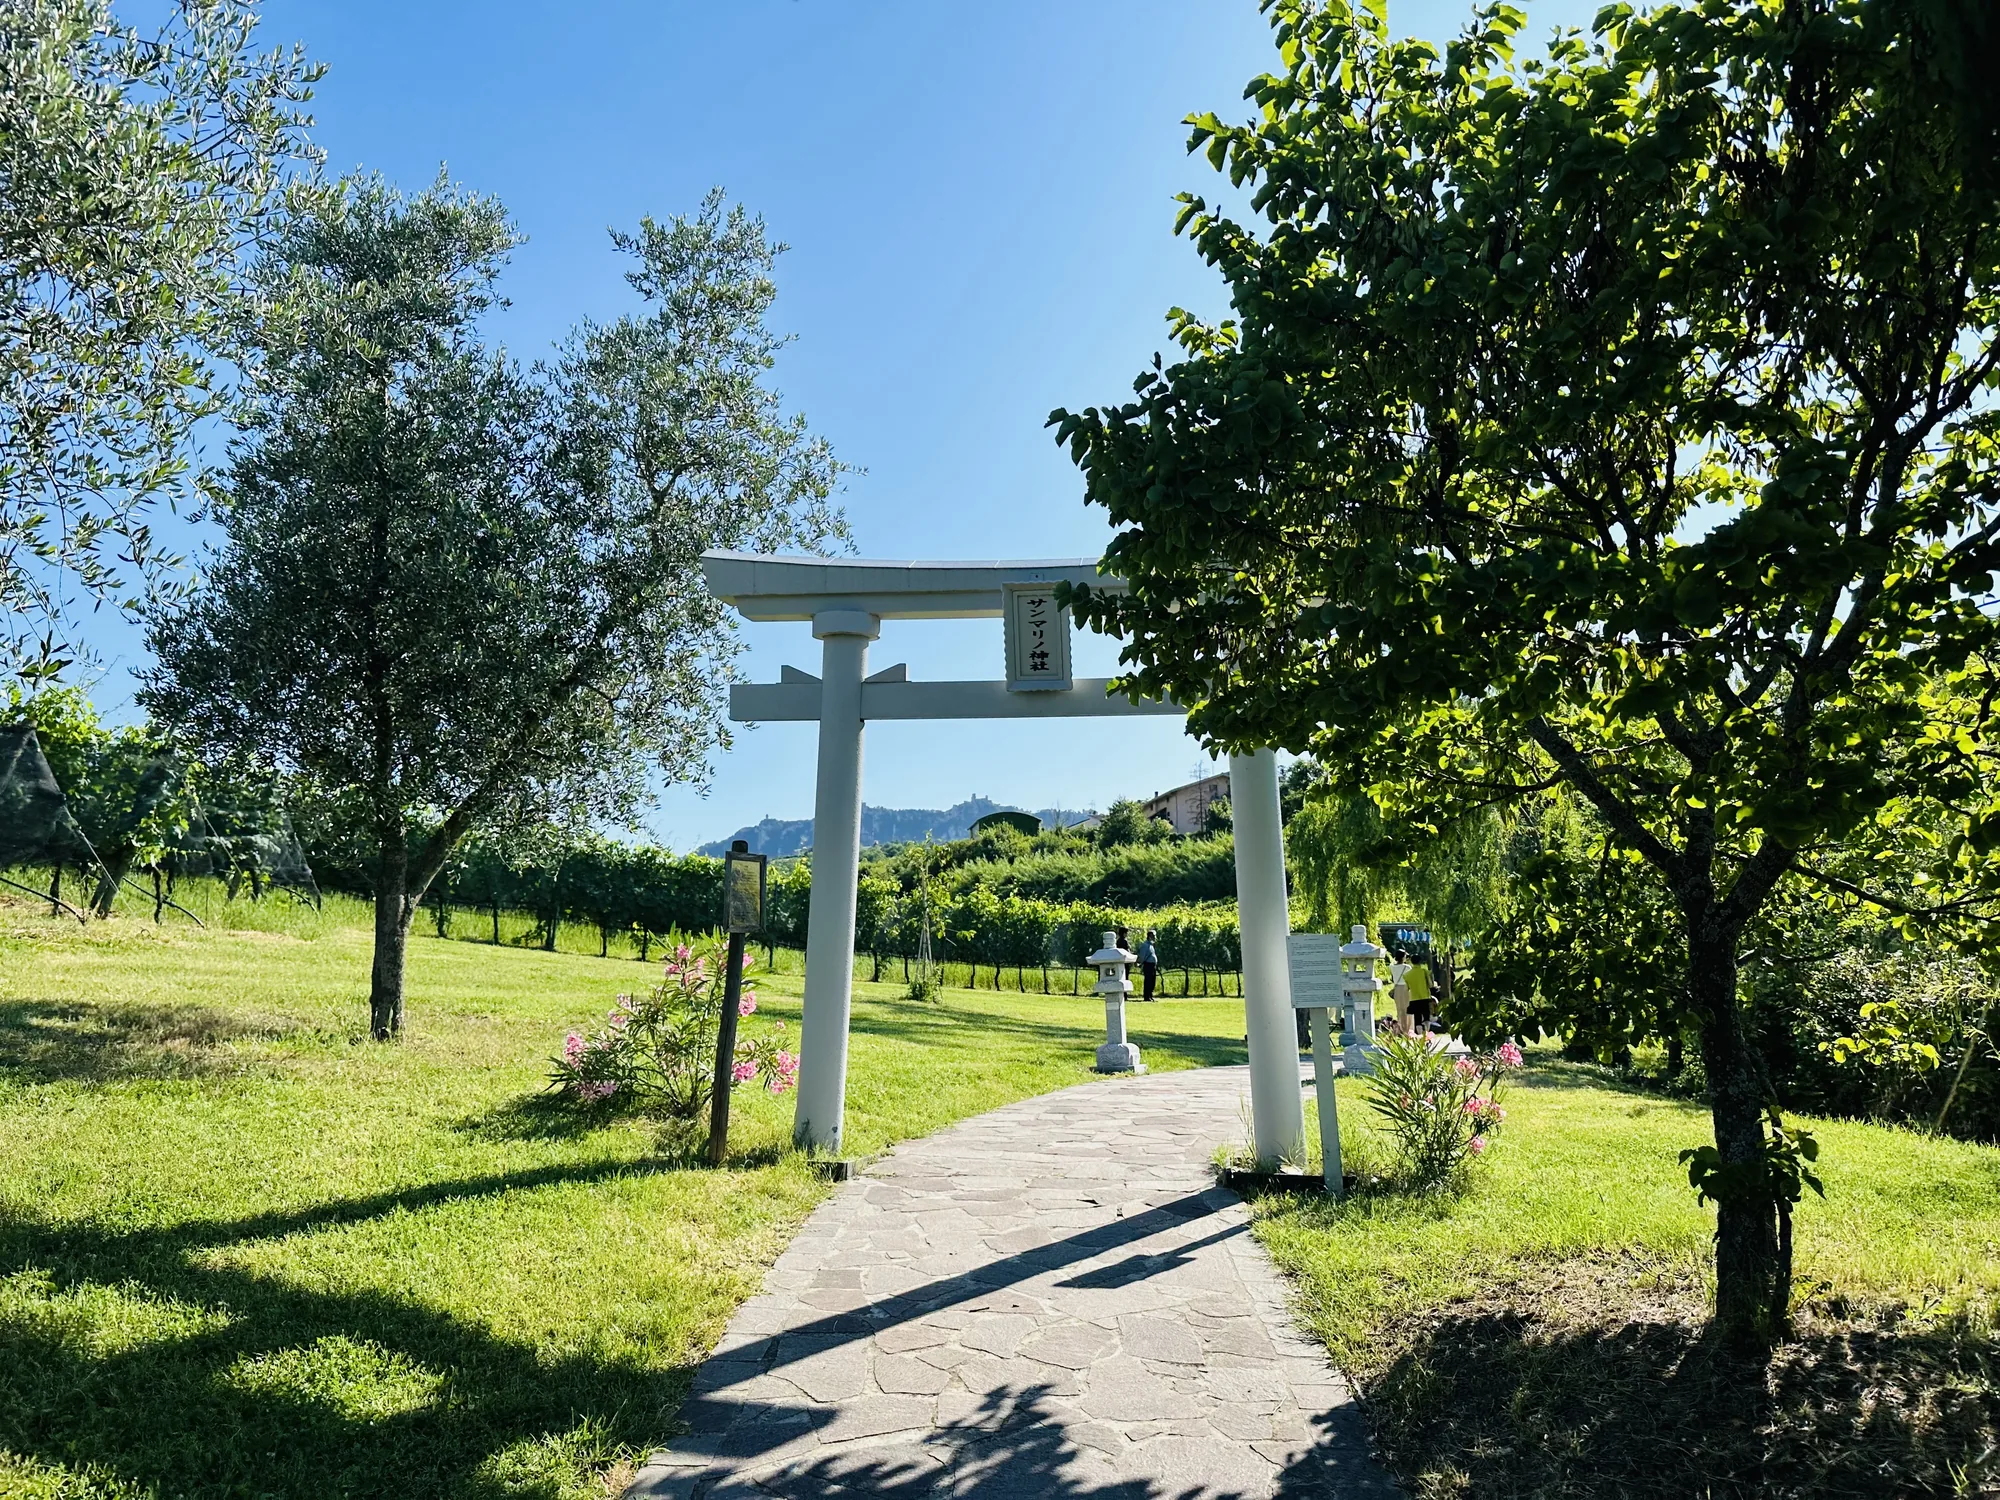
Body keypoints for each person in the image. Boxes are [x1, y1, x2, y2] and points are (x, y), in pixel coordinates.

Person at [1405, 953, 1435, 1035]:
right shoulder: (1424, 972)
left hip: (1414, 998)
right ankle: (1427, 1034)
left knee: (1417, 1018)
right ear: (1420, 962)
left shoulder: (1406, 975)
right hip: (1425, 997)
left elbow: (1407, 988)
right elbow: (1430, 985)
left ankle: (1419, 1035)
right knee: (1426, 1017)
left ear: (1411, 962)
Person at [1389, 948, 1413, 1036]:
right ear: (1403, 957)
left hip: (1397, 989)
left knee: (1399, 1009)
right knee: (1408, 1009)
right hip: (1406, 988)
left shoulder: (1391, 967)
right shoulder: (1407, 967)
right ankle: (1408, 1029)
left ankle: (1400, 1028)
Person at [1137, 928, 1160, 1002]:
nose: (1155, 937)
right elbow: (1142, 956)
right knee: (1148, 981)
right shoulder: (1145, 945)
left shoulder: (1151, 945)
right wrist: (1139, 963)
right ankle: (1147, 996)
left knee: (1152, 981)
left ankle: (1150, 995)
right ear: (1150, 936)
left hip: (1152, 965)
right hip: (1148, 965)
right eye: (1153, 936)